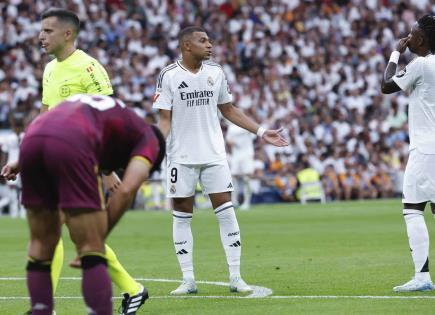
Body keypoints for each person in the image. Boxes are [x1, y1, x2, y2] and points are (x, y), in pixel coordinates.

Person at [153, 26, 288, 295]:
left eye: (210, 40)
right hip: (180, 157)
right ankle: (188, 279)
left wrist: (261, 131)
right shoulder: (168, 75)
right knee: (181, 215)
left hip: (214, 155)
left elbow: (228, 109)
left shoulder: (216, 72)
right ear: (187, 46)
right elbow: (164, 119)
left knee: (226, 212)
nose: (209, 44)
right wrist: (154, 150)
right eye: (203, 41)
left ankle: (236, 277)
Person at [1, 94, 165, 315]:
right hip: (73, 143)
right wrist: (99, 236)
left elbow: (55, 131)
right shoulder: (149, 140)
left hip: (33, 140)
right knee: (91, 248)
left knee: (40, 244)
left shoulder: (116, 121)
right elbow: (126, 190)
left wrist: (19, 163)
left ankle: (41, 310)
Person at [37, 8, 147, 314]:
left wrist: (107, 169)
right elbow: (46, 116)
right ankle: (134, 290)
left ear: (67, 34)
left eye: (47, 31)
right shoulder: (49, 70)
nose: (40, 37)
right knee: (80, 235)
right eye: (41, 30)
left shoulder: (88, 68)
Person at [381, 14, 435, 292]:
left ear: (422, 39)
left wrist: (394, 53)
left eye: (412, 34)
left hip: (426, 149)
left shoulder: (421, 65)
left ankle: (422, 276)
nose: (408, 38)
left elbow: (386, 85)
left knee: (413, 210)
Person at [226, 123, 256, 210]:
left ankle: (247, 202)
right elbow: (228, 139)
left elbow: (254, 135)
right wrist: (233, 142)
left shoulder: (246, 124)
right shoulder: (231, 127)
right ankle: (234, 202)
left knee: (247, 178)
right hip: (236, 155)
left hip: (247, 154)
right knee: (233, 178)